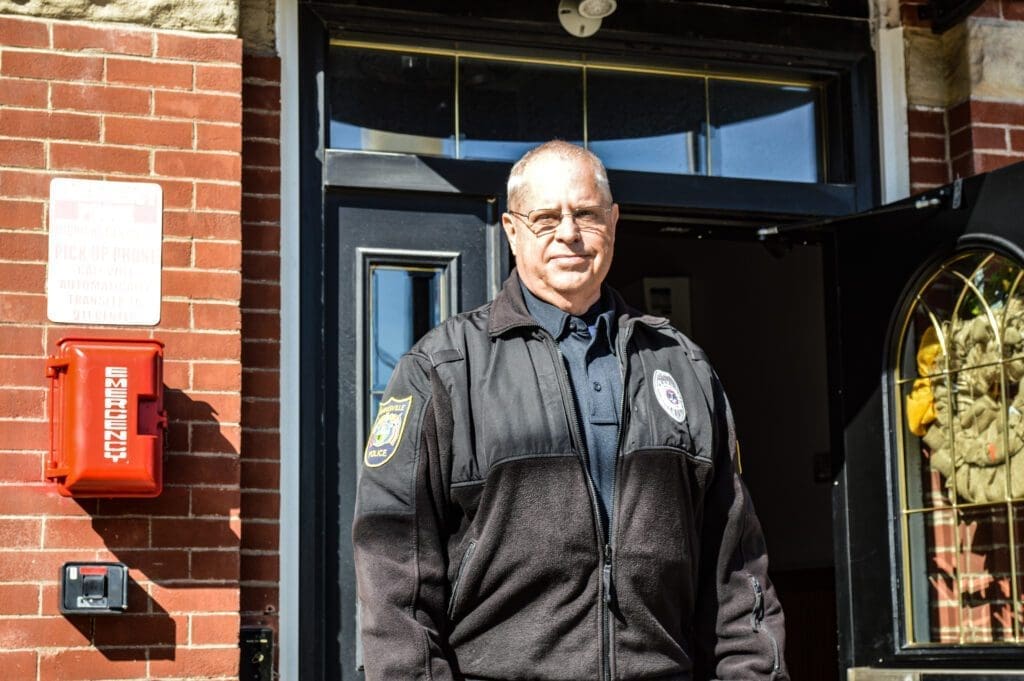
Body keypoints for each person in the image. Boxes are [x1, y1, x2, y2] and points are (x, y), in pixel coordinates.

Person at [353, 140, 788, 680]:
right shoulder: (443, 370)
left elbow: (736, 567)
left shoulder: (681, 366)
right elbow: (395, 573)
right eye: (545, 217)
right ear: (512, 231)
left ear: (613, 221)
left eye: (585, 214)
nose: (568, 233)